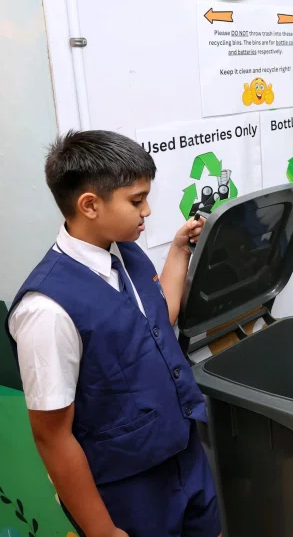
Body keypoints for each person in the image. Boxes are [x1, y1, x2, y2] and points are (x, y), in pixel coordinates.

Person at [6, 131, 219, 537]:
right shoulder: (46, 311)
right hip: (127, 487)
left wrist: (178, 251)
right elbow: (52, 437)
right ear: (90, 204)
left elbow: (157, 321)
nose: (148, 210)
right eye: (136, 200)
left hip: (183, 453)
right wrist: (101, 530)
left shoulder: (123, 251)